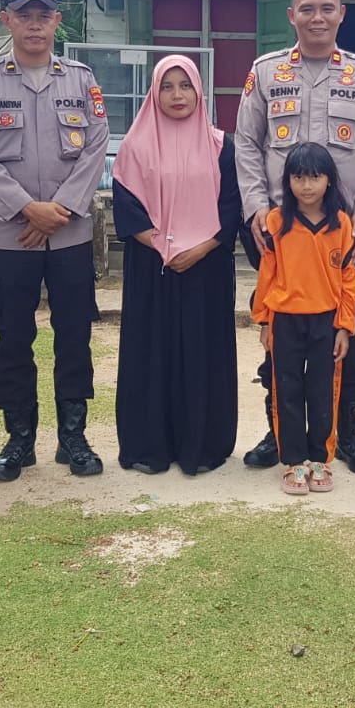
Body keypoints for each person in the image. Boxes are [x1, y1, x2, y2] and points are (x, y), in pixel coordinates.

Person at [236, 0, 355, 475]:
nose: (317, 18)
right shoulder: (265, 73)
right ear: (292, 16)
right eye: (307, 9)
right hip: (278, 233)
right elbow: (246, 143)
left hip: (343, 233)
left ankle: (346, 434)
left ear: (342, 14)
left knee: (345, 333)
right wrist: (255, 207)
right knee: (280, 337)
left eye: (328, 8)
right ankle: (279, 433)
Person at [0, 0, 110, 481]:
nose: (35, 24)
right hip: (12, 236)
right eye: (24, 14)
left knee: (74, 335)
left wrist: (58, 210)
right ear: (6, 19)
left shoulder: (81, 79)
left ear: (57, 21)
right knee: (12, 337)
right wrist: (27, 209)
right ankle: (19, 440)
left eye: (44, 15)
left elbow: (95, 146)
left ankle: (73, 437)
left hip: (68, 233)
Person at [111, 54, 240, 475]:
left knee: (202, 353)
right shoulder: (134, 147)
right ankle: (149, 446)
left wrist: (197, 249)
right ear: (154, 93)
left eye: (185, 85)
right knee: (152, 353)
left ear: (199, 91)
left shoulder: (221, 146)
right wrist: (162, 245)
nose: (177, 95)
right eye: (167, 86)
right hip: (153, 267)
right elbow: (127, 207)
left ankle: (202, 446)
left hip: (206, 267)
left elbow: (231, 207)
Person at [251, 144, 355, 496]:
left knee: (322, 391)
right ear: (287, 181)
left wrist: (345, 326)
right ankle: (294, 462)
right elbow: (267, 274)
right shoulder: (276, 223)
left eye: (315, 177)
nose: (307, 186)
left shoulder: (341, 224)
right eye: (298, 177)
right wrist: (264, 321)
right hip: (285, 321)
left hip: (325, 323)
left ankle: (320, 459)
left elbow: (349, 279)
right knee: (287, 391)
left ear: (329, 180)